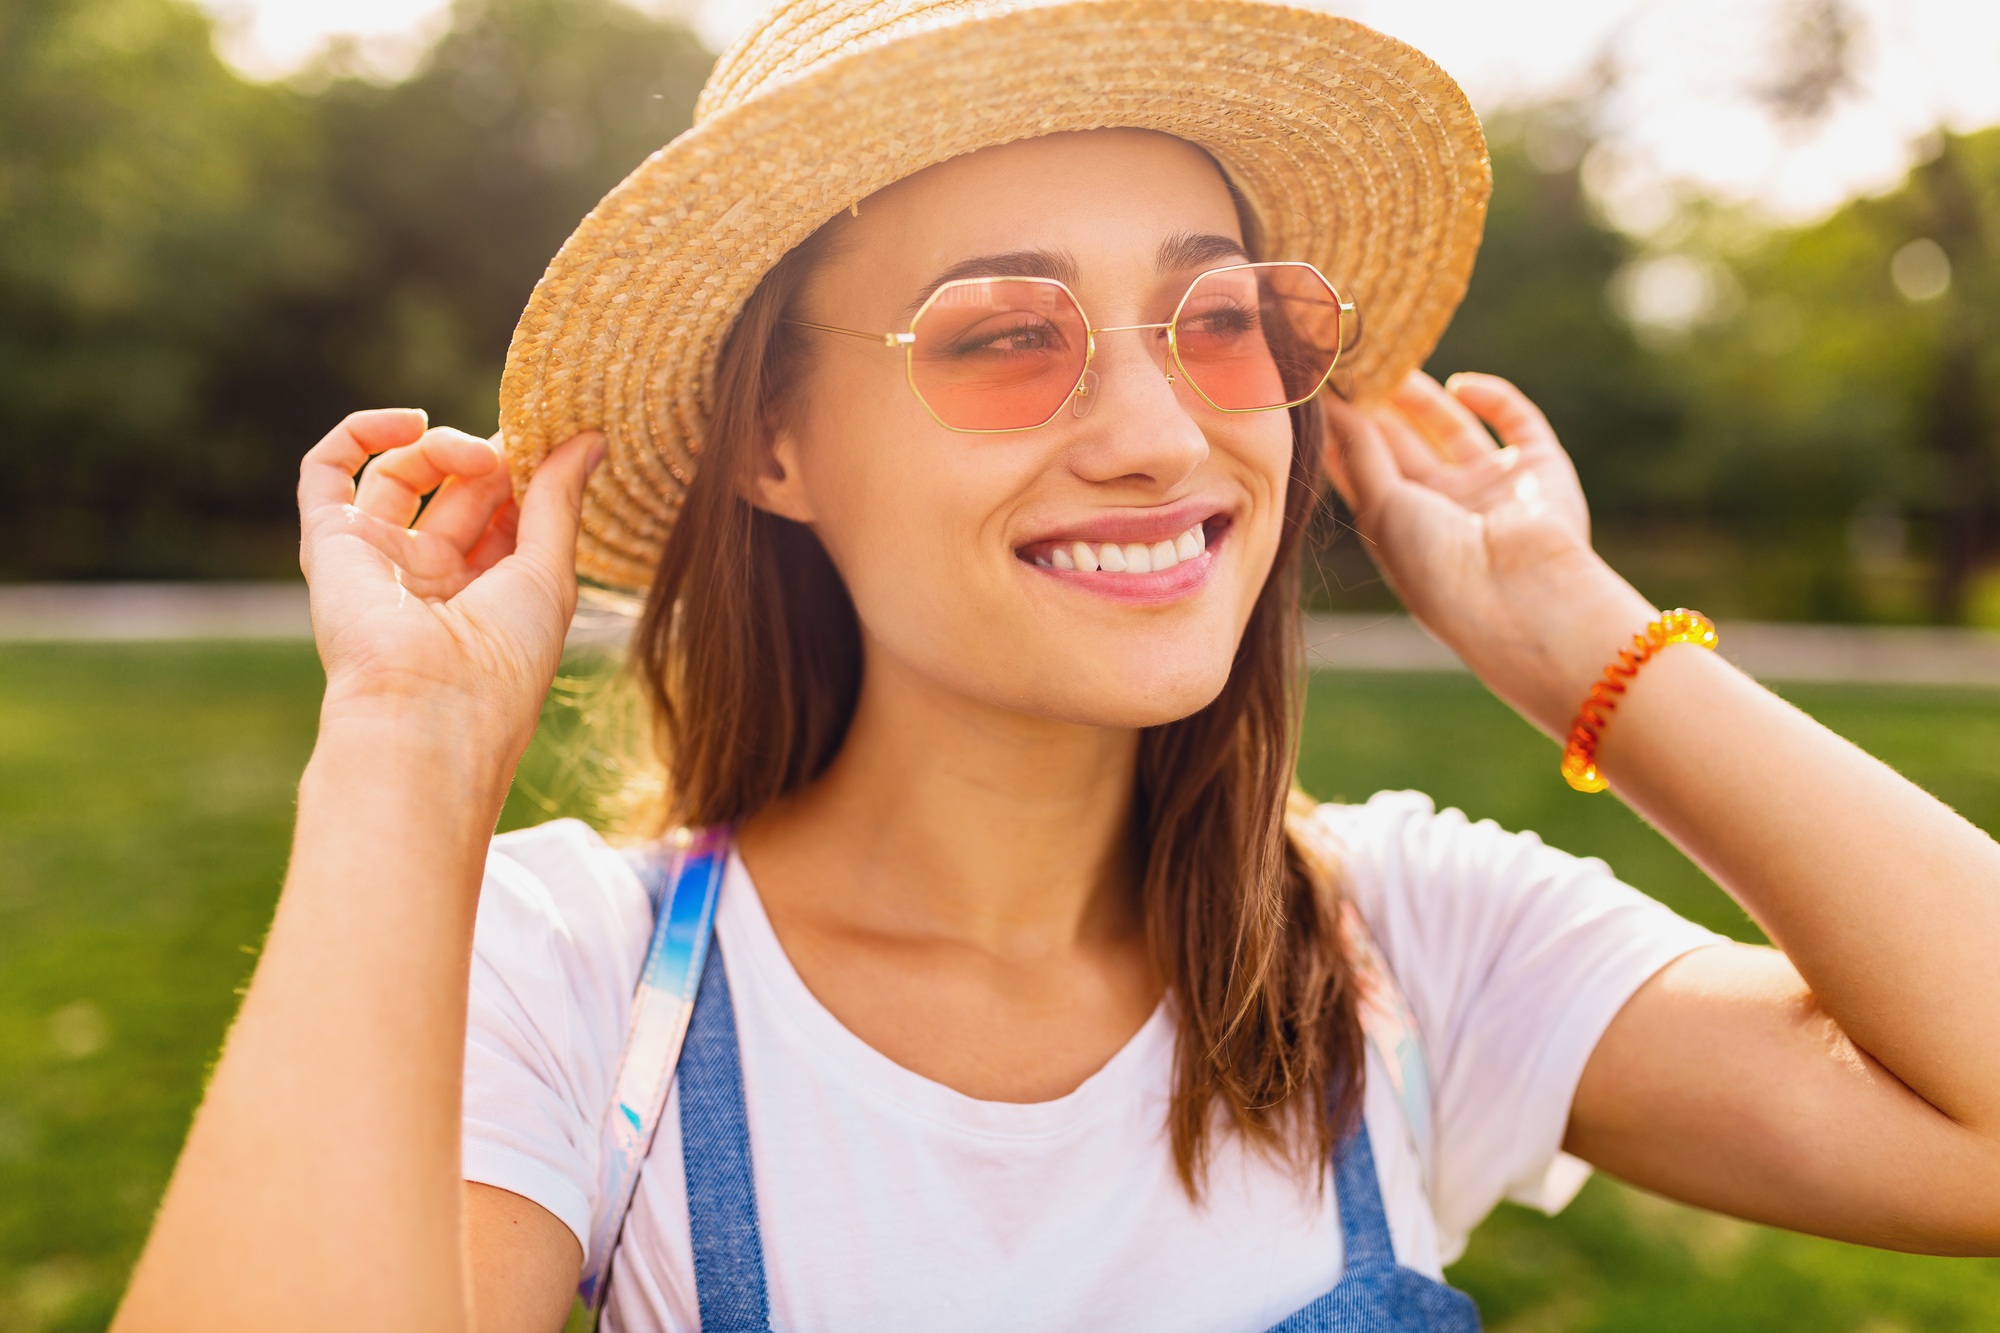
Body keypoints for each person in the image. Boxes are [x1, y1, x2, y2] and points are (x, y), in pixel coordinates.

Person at [116, 0, 2000, 1329]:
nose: (1161, 435)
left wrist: (1573, 634)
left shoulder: (1400, 947)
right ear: (772, 441)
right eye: (1006, 333)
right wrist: (403, 754)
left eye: (1219, 319)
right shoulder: (570, 986)